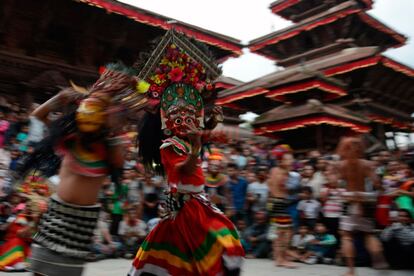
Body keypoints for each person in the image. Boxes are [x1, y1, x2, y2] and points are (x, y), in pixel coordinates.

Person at [128, 30, 244, 276]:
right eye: (179, 115)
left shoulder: (188, 139)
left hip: (198, 206)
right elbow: (185, 169)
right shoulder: (169, 145)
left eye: (190, 113)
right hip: (187, 211)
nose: (185, 118)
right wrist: (196, 147)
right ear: (168, 120)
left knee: (221, 248)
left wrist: (208, 126)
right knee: (197, 258)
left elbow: (201, 138)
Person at [21, 63, 145, 276]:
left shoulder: (112, 147)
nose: (91, 116)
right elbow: (38, 115)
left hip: (83, 222)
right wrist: (60, 98)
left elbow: (118, 162)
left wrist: (115, 125)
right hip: (57, 214)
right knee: (40, 273)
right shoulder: (69, 139)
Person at [336, 137, 388, 276]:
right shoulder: (367, 164)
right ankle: (379, 259)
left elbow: (336, 184)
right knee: (369, 234)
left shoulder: (341, 165)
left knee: (347, 236)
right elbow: (377, 184)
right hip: (366, 199)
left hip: (350, 199)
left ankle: (351, 270)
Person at [267, 152, 297, 268]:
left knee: (279, 232)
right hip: (280, 202)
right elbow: (284, 186)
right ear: (282, 161)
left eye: (291, 158)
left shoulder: (273, 170)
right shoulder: (285, 172)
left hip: (274, 201)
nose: (292, 161)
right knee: (285, 232)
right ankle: (281, 259)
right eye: (289, 159)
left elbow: (269, 183)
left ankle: (279, 258)